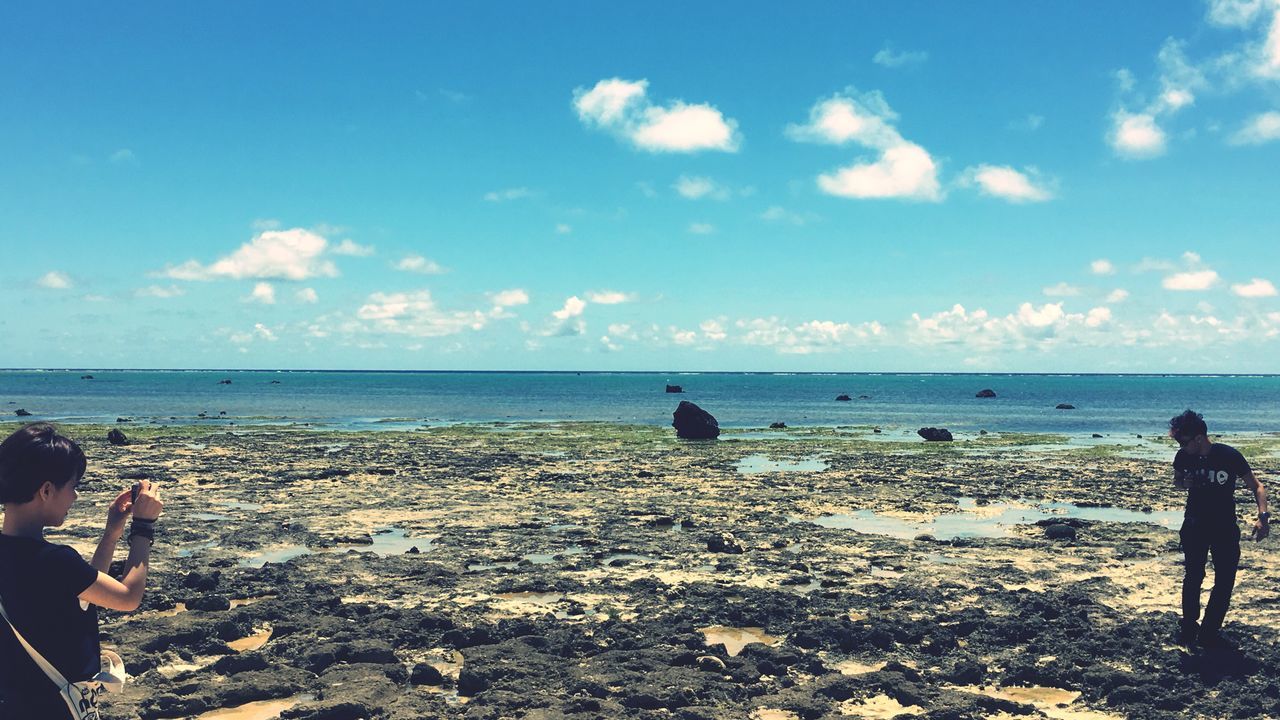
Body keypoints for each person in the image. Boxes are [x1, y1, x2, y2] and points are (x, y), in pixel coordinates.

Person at [0, 423, 163, 717]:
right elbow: (127, 598)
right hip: (56, 708)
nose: (74, 497)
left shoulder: (22, 556)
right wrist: (143, 528)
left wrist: (112, 531)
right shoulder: (54, 560)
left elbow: (83, 595)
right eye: (73, 487)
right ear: (47, 490)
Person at [1169, 409, 1269, 649]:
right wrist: (1185, 483)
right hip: (1194, 525)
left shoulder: (1229, 456)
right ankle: (1189, 625)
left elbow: (1257, 486)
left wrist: (1263, 517)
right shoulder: (1183, 457)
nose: (1181, 446)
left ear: (1199, 438)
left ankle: (1209, 630)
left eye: (1183, 441)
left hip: (1224, 527)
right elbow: (1177, 482)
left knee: (1225, 580)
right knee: (1193, 576)